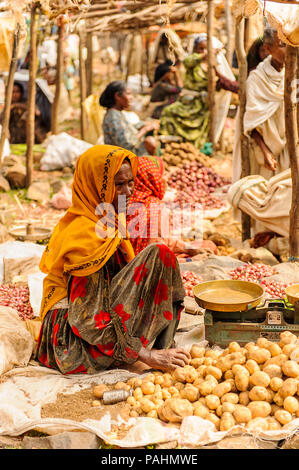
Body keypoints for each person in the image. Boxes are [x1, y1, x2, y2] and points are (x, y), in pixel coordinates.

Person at [35, 145, 191, 374]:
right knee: (158, 254)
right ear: (95, 186)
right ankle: (140, 352)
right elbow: (85, 319)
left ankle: (160, 346)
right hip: (71, 340)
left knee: (160, 255)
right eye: (118, 185)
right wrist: (147, 356)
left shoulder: (108, 219)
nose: (128, 192)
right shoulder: (84, 236)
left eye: (130, 183)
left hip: (92, 315)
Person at [127, 156, 218, 258]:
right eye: (164, 174)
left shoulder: (125, 200)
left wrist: (188, 247)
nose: (166, 179)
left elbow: (162, 241)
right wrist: (190, 260)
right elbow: (157, 254)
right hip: (146, 265)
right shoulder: (155, 207)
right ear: (153, 178)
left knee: (203, 246)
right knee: (209, 248)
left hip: (132, 260)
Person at [159, 34, 236, 150]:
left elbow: (222, 83)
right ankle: (171, 144)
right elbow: (187, 61)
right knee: (169, 112)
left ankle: (193, 149)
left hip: (201, 106)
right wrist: (205, 55)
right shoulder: (193, 61)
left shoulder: (213, 67)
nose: (203, 51)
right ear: (195, 49)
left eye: (206, 49)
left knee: (199, 128)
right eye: (200, 48)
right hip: (187, 102)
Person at [232, 27, 289, 184]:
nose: (289, 49)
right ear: (268, 49)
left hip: (289, 146)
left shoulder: (293, 74)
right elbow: (251, 122)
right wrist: (265, 151)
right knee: (266, 191)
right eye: (283, 45)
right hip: (266, 150)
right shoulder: (257, 79)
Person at [100, 81, 159, 156]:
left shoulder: (117, 113)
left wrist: (144, 125)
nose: (131, 97)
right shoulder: (113, 117)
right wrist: (145, 130)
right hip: (122, 158)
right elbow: (126, 144)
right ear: (117, 96)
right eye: (128, 94)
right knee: (150, 142)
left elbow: (127, 129)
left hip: (126, 154)